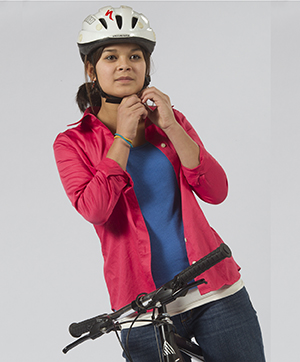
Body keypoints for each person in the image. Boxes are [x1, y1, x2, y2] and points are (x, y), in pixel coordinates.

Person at [53, 5, 266, 362]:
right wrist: (122, 136)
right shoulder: (73, 142)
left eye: (135, 56)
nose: (125, 65)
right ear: (91, 70)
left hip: (214, 287)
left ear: (146, 66)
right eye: (111, 57)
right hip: (141, 308)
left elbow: (217, 191)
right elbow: (96, 209)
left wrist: (170, 125)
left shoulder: (171, 122)